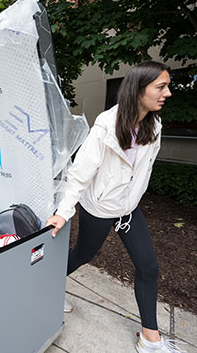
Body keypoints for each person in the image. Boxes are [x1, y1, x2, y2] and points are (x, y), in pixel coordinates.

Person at [46, 62, 183, 353]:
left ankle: (150, 338)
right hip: (98, 207)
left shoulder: (154, 125)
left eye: (167, 86)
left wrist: (130, 201)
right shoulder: (106, 126)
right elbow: (80, 174)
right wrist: (63, 212)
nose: (167, 93)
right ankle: (47, 289)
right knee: (83, 255)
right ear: (138, 89)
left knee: (148, 266)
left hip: (128, 209)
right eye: (161, 87)